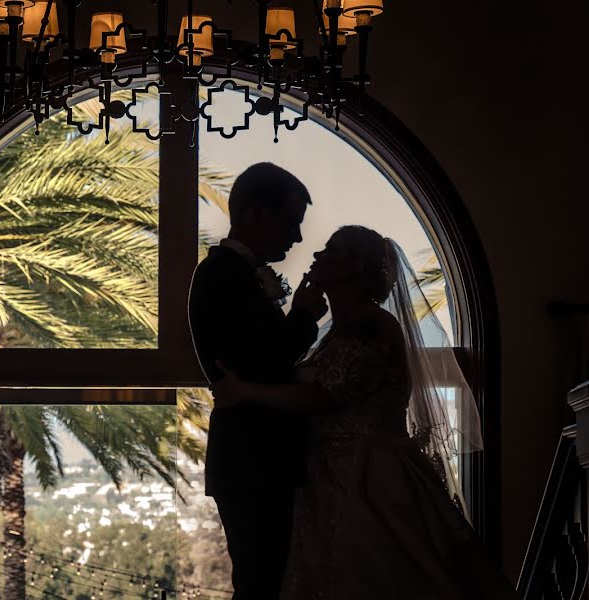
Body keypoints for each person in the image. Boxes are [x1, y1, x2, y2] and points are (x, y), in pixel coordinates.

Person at [213, 225, 519, 599]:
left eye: (332, 249)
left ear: (357, 267)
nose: (317, 255)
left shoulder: (371, 325)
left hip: (368, 476)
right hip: (327, 475)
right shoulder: (339, 328)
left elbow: (322, 397)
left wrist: (244, 391)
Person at [188, 163, 328, 599]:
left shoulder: (234, 274)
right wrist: (304, 316)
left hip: (257, 458)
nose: (298, 238)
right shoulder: (221, 277)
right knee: (261, 583)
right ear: (255, 214)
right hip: (253, 459)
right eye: (291, 222)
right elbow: (261, 362)